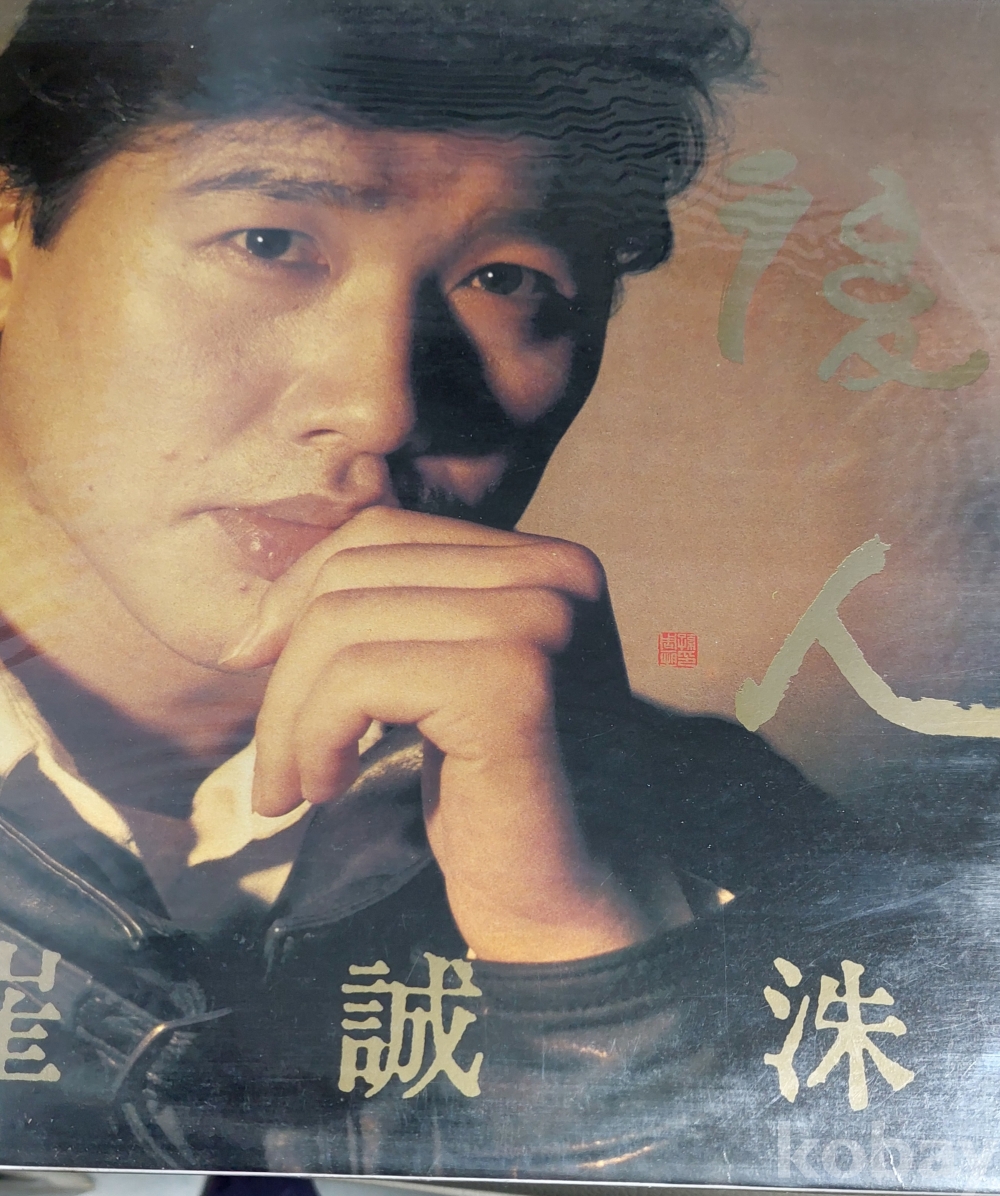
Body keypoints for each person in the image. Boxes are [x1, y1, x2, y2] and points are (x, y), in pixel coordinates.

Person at [0, 0, 850, 1177]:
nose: (383, 405)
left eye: (506, 277)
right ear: (10, 246)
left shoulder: (739, 828)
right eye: (269, 242)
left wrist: (593, 975)